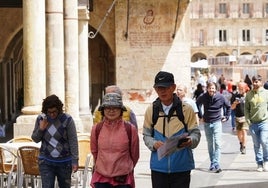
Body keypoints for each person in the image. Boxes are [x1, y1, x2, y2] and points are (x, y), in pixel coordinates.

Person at [143, 71, 201, 188]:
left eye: (166, 87)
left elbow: (195, 133)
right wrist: (154, 144)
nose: (162, 91)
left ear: (173, 87)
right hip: (159, 168)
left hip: (182, 167)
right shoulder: (151, 110)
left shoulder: (186, 109)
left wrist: (191, 140)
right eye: (159, 88)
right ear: (155, 89)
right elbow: (146, 135)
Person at [90, 93, 140, 188]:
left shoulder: (130, 129)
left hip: (123, 179)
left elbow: (135, 154)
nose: (111, 111)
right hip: (101, 178)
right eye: (108, 108)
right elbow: (94, 151)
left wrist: (125, 167)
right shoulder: (96, 129)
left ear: (121, 110)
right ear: (103, 110)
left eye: (115, 108)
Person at [31, 94, 78, 188]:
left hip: (64, 162)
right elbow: (35, 139)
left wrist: (75, 160)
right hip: (46, 161)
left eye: (54, 112)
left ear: (59, 109)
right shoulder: (41, 119)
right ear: (45, 111)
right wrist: (41, 129)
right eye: (49, 112)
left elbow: (73, 141)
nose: (52, 114)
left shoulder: (67, 120)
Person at [196, 81, 231, 173]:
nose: (211, 90)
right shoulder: (203, 97)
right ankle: (212, 162)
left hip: (217, 122)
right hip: (207, 123)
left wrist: (226, 117)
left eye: (213, 88)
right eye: (210, 88)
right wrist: (200, 116)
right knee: (210, 144)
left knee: (217, 143)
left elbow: (228, 106)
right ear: (207, 88)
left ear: (216, 89)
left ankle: (216, 163)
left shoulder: (221, 97)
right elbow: (197, 104)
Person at [245, 75, 268, 172]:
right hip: (253, 123)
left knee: (264, 141)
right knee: (256, 144)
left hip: (264, 122)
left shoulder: (266, 93)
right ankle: (259, 163)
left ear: (261, 82)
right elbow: (246, 108)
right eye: (253, 81)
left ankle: (266, 160)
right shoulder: (249, 94)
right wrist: (248, 121)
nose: (254, 83)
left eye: (256, 81)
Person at [230, 82, 249, 154]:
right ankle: (241, 143)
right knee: (238, 133)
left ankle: (244, 147)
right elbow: (232, 107)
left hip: (245, 117)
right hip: (238, 117)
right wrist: (235, 103)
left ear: (245, 88)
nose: (240, 90)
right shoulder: (235, 96)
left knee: (244, 131)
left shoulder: (248, 96)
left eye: (242, 88)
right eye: (239, 88)